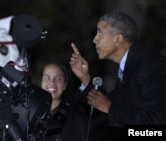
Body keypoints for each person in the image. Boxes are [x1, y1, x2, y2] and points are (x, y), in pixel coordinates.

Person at [69, 11, 166, 140]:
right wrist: (85, 78)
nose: (94, 39)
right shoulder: (129, 63)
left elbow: (154, 123)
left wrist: (109, 107)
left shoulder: (149, 66)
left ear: (118, 39)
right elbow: (110, 104)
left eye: (100, 33)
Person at [35, 60, 88, 141]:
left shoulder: (76, 116)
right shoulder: (31, 111)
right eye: (47, 78)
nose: (52, 83)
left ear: (65, 85)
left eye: (58, 79)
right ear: (40, 82)